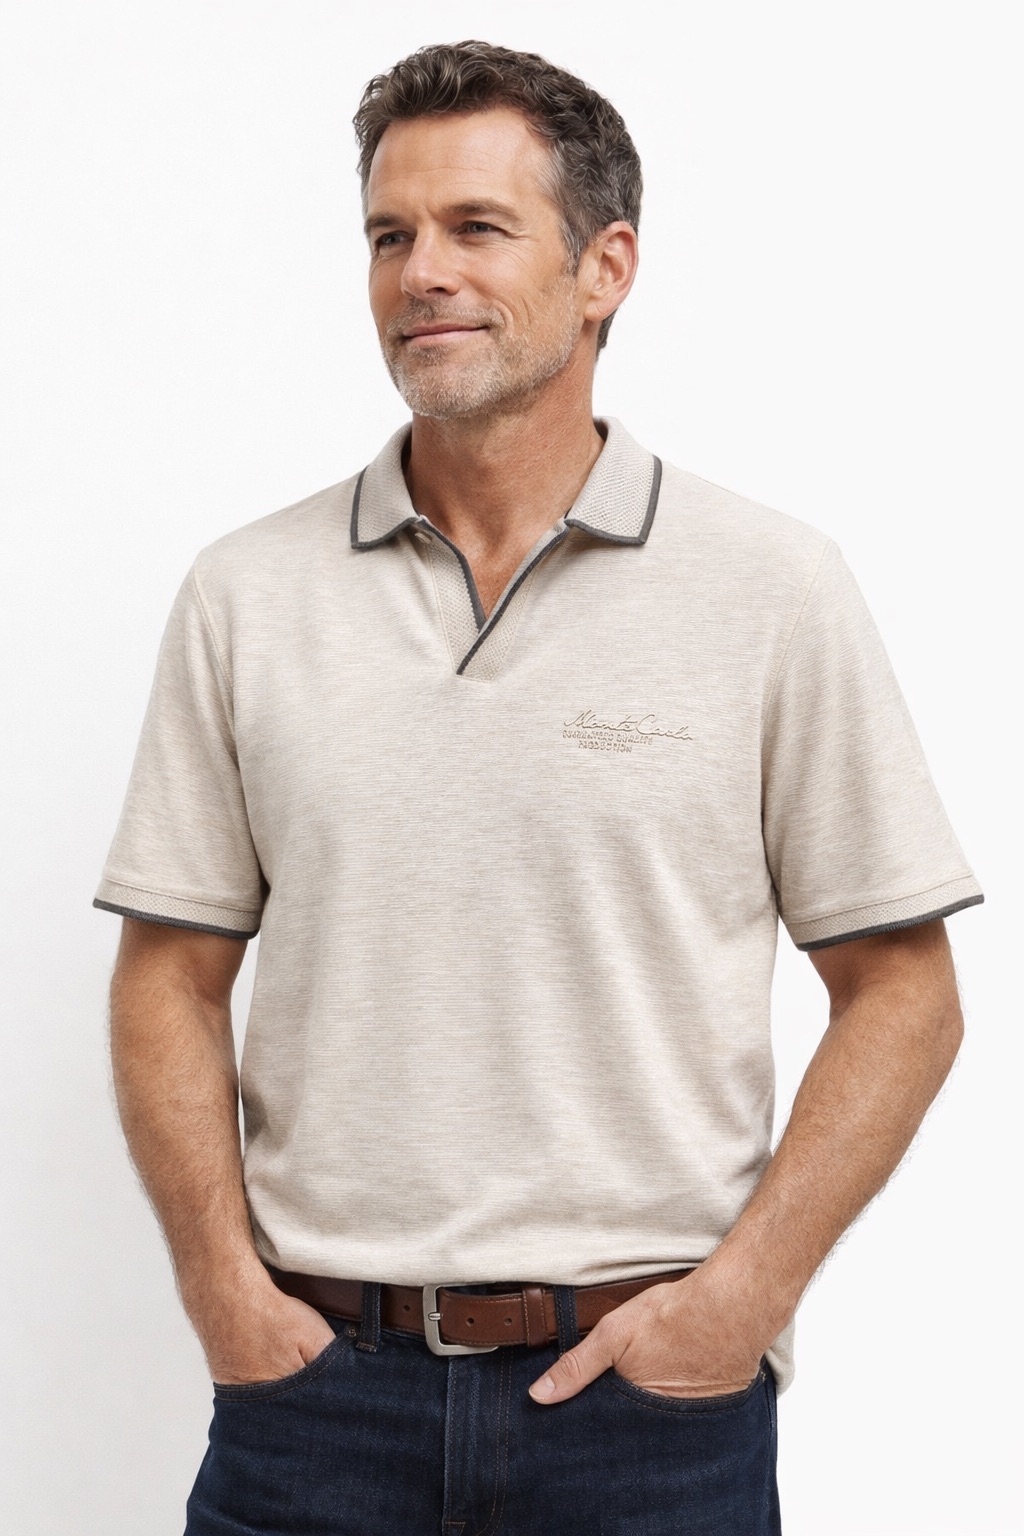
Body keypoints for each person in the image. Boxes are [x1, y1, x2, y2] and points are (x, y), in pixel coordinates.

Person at [95, 39, 983, 1536]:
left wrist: (740, 1304)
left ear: (604, 268)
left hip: (646, 1414)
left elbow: (905, 991)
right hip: (315, 1406)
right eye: (390, 235)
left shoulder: (771, 588)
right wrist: (223, 1297)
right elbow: (167, 974)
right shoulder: (246, 594)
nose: (420, 274)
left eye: (477, 228)